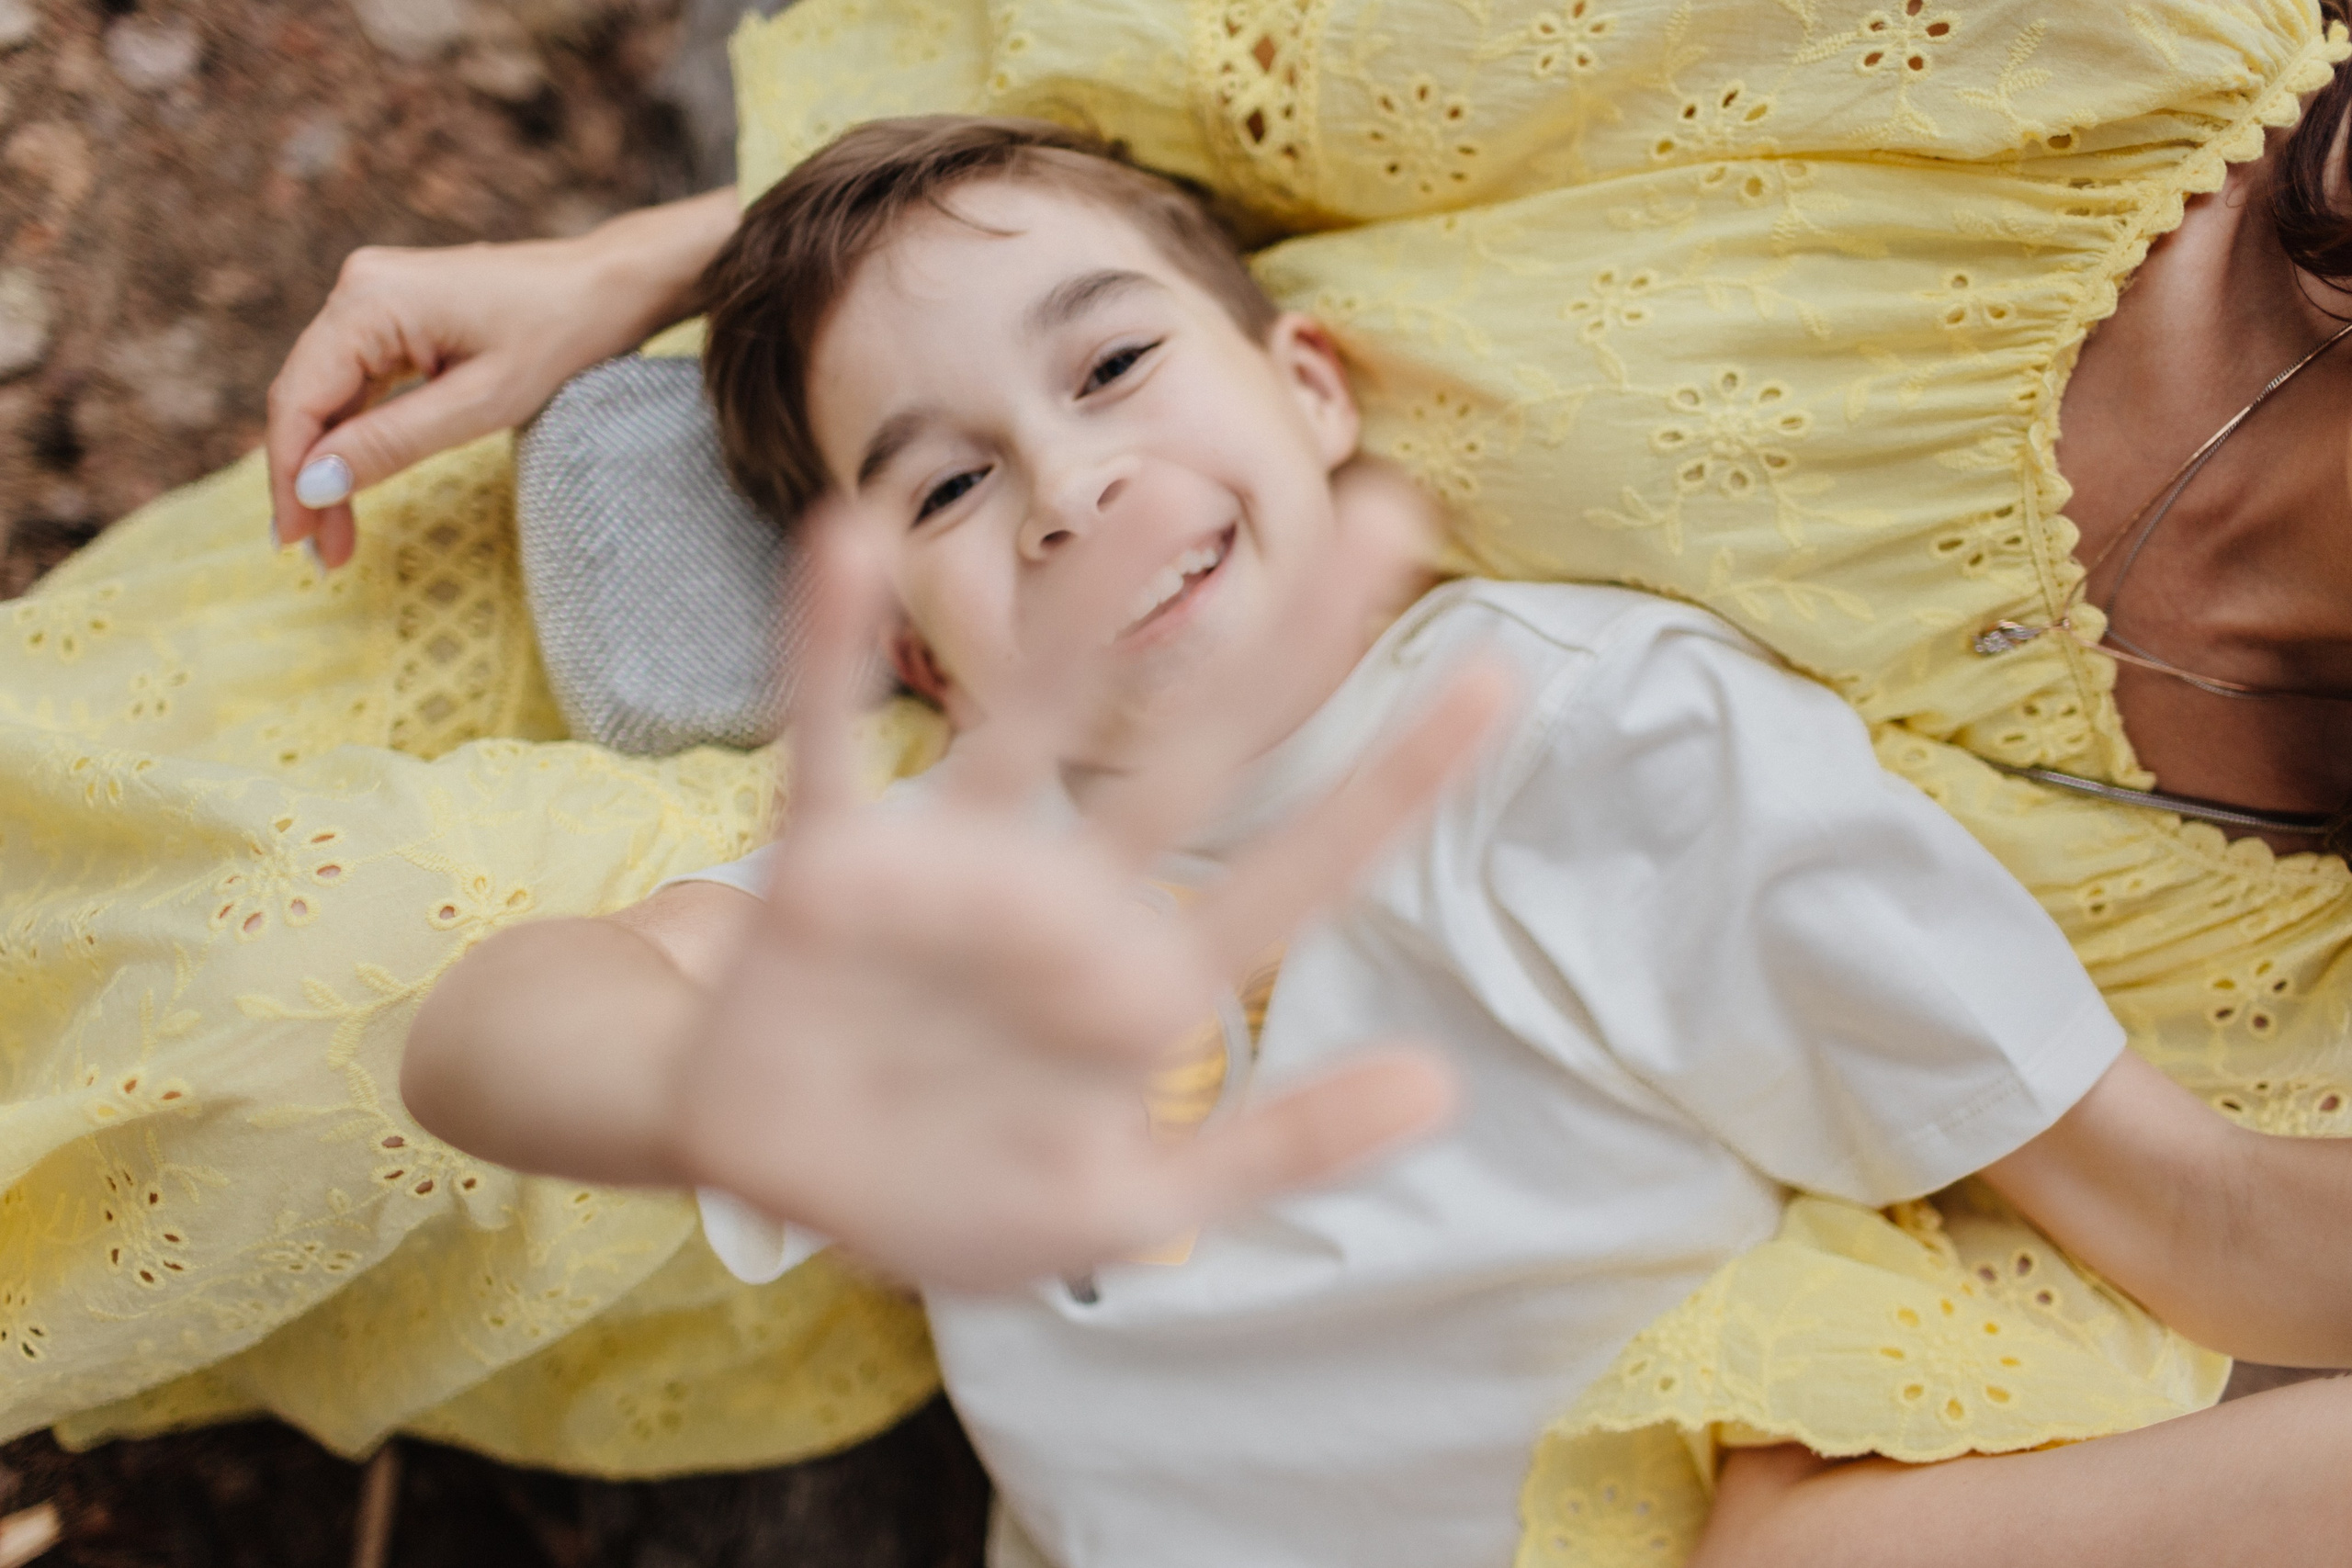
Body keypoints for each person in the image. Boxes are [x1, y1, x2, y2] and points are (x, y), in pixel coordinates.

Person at [7, 0, 2346, 1547]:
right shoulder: (967, 854)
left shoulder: (1611, 734)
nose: (1058, 489)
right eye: (938, 487)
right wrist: (749, 1092)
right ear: (910, 638)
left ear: (1309, 394)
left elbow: (2196, 1218)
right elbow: (494, 1027)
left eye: (1117, 366)